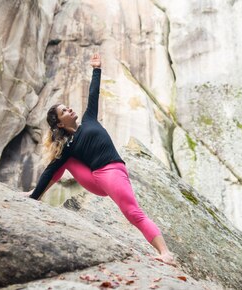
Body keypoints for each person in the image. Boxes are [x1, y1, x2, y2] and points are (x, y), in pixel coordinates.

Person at [28, 53, 175, 264]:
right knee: (62, 160)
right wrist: (33, 197)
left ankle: (165, 253)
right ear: (60, 123)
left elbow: (93, 93)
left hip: (113, 172)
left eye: (67, 107)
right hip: (95, 179)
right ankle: (36, 195)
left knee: (133, 213)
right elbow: (51, 170)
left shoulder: (89, 119)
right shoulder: (68, 145)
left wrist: (97, 69)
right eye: (64, 111)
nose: (69, 109)